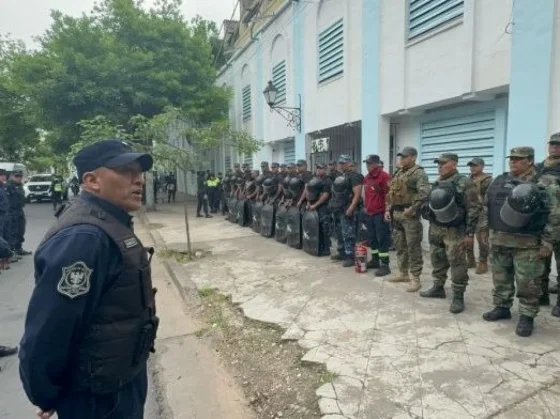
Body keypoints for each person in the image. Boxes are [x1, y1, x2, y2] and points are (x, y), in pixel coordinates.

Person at [19, 139, 159, 419]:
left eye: (139, 171)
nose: (138, 179)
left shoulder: (109, 221)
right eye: (125, 171)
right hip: (98, 397)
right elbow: (50, 328)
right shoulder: (85, 238)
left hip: (118, 379)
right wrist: (46, 394)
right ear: (92, 180)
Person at [481, 147, 558, 336]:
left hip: (528, 243)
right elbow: (487, 205)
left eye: (518, 159)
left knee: (528, 282)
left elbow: (555, 216)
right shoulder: (500, 180)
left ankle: (527, 316)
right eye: (511, 159)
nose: (513, 162)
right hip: (500, 239)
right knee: (501, 278)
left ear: (530, 161)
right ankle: (502, 307)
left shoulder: (544, 183)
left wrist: (548, 243)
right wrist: (483, 229)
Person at [420, 153, 481, 314]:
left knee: (457, 263)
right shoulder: (438, 182)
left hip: (455, 231)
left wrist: (469, 233)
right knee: (437, 258)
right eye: (438, 163)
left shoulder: (464, 182)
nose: (439, 166)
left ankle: (458, 296)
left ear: (454, 164)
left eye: (443, 163)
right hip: (436, 228)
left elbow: (474, 208)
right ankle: (438, 287)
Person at [385, 147, 429, 292]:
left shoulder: (419, 173)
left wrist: (413, 208)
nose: (401, 159)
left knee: (413, 247)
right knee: (400, 245)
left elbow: (424, 193)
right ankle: (403, 273)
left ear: (413, 157)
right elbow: (392, 192)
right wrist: (388, 209)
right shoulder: (399, 172)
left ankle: (415, 277)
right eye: (400, 157)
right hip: (396, 213)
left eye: (404, 157)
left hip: (410, 215)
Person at [536, 133, 560, 305]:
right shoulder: (537, 167)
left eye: (558, 145)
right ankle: (542, 295)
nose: (555, 147)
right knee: (541, 262)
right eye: (552, 144)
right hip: (542, 223)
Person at [329, 155, 364, 267]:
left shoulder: (355, 176)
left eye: (343, 163)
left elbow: (357, 194)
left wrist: (351, 208)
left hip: (348, 209)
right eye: (340, 163)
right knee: (339, 233)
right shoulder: (341, 176)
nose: (341, 165)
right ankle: (342, 252)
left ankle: (350, 256)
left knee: (348, 233)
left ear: (349, 163)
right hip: (338, 208)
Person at [363, 154, 392, 276]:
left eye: (369, 163)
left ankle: (385, 265)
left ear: (376, 164)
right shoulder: (367, 177)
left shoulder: (384, 176)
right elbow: (366, 194)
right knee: (372, 239)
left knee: (382, 239)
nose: (367, 166)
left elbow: (390, 194)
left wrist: (387, 210)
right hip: (369, 213)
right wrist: (365, 206)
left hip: (380, 213)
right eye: (366, 163)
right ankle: (375, 261)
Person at [466, 158, 492, 274]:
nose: (472, 168)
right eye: (471, 166)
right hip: (469, 212)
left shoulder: (488, 180)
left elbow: (489, 200)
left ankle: (483, 262)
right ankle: (470, 260)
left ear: (482, 167)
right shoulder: (467, 180)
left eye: (475, 166)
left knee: (482, 239)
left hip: (482, 213)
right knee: (467, 236)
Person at [305, 163, 332, 256]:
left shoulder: (327, 181)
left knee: (324, 228)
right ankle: (317, 246)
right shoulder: (314, 180)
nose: (319, 170)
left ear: (325, 169)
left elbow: (325, 195)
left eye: (321, 168)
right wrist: (308, 202)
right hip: (313, 205)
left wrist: (315, 205)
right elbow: (308, 190)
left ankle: (326, 249)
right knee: (315, 227)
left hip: (323, 207)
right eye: (317, 168)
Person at [7, 170, 31, 256]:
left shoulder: (20, 186)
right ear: (11, 176)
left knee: (21, 230)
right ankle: (12, 251)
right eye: (16, 176)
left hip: (19, 210)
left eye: (20, 176)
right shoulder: (8, 186)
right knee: (13, 231)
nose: (19, 178)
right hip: (11, 212)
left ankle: (18, 248)